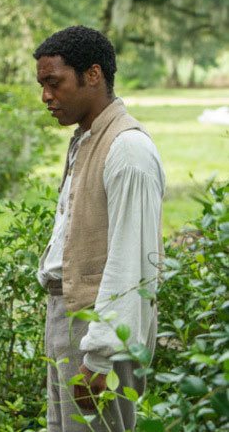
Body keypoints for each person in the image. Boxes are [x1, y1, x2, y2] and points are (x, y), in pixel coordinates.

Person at [34, 26, 165, 431]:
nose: (45, 97)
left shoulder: (127, 150)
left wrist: (101, 356)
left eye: (54, 83)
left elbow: (132, 264)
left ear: (93, 75)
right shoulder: (88, 139)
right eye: (41, 85)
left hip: (96, 334)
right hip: (69, 318)